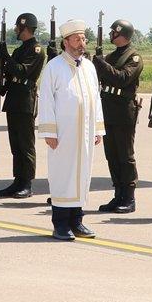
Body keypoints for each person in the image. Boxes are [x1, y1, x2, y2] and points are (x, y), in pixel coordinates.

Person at [37, 19, 104, 241]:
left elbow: (96, 98)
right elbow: (46, 100)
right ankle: (60, 224)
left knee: (82, 176)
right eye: (77, 39)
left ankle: (77, 221)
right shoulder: (53, 67)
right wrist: (49, 132)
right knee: (63, 176)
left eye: (83, 39)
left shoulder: (89, 67)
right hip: (63, 135)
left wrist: (98, 129)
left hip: (85, 134)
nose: (81, 43)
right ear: (66, 42)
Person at [92, 18, 143, 213]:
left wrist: (102, 64)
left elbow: (123, 78)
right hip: (108, 109)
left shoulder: (134, 57)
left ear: (122, 34)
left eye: (114, 32)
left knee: (125, 155)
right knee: (112, 155)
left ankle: (129, 197)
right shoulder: (111, 56)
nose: (111, 34)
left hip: (123, 111)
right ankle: (118, 194)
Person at [0, 12, 47, 199]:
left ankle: (27, 183)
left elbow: (22, 71)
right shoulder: (19, 50)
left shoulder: (36, 50)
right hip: (14, 100)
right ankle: (18, 180)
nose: (16, 30)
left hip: (25, 101)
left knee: (26, 145)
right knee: (15, 145)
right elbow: (10, 75)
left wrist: (6, 58)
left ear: (25, 28)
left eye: (18, 27)